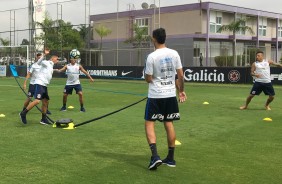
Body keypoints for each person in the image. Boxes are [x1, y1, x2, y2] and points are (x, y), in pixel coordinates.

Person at [144, 28, 187, 170]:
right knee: (169, 123)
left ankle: (155, 156)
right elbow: (180, 75)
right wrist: (181, 91)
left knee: (150, 123)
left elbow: (148, 79)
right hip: (170, 95)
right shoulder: (174, 53)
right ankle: (170, 158)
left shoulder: (152, 56)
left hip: (156, 95)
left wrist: (150, 77)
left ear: (154, 39)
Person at [19, 49, 59, 125]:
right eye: (57, 58)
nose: (58, 60)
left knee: (45, 102)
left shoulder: (51, 65)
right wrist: (44, 54)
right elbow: (39, 62)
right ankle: (23, 113)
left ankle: (43, 119)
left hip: (44, 85)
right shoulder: (47, 63)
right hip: (40, 83)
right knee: (37, 101)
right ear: (53, 58)